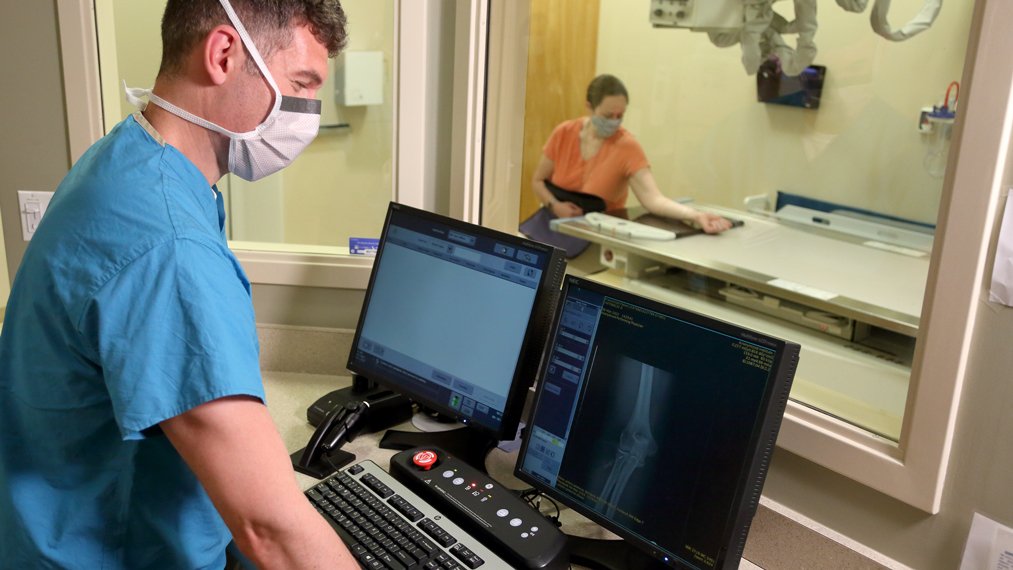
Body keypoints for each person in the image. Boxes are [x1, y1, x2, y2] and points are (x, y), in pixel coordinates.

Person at [0, 1, 357, 568]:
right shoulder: (168, 245)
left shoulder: (124, 159)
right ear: (222, 54)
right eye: (300, 84)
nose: (307, 114)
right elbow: (270, 530)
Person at [532, 74, 733, 234]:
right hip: (554, 225)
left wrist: (696, 216)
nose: (614, 121)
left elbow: (653, 199)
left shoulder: (627, 147)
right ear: (589, 107)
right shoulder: (564, 133)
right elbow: (538, 181)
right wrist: (555, 206)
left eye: (620, 115)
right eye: (608, 115)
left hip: (598, 236)